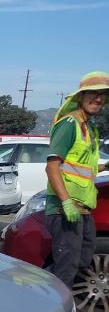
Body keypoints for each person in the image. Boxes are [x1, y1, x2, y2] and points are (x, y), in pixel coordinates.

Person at [45, 71, 109, 287]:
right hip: (65, 209)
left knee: (82, 260)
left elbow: (82, 168)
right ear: (80, 96)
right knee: (67, 270)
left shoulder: (89, 129)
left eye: (102, 95)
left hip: (83, 210)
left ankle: (38, 286)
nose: (98, 99)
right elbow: (52, 167)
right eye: (92, 93)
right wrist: (66, 201)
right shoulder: (69, 124)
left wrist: (105, 166)